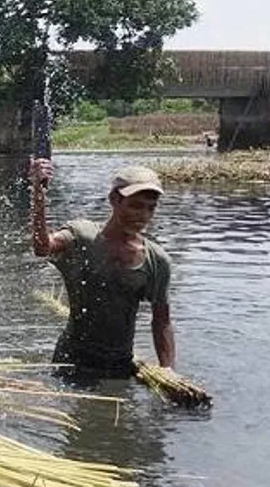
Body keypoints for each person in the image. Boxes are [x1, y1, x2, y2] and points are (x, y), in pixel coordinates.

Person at [29, 159, 176, 378]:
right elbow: (42, 248)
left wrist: (168, 372)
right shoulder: (82, 236)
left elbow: (161, 321)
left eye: (150, 208)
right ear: (114, 200)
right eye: (135, 205)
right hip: (70, 361)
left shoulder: (157, 260)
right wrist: (38, 194)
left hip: (119, 366)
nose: (143, 215)